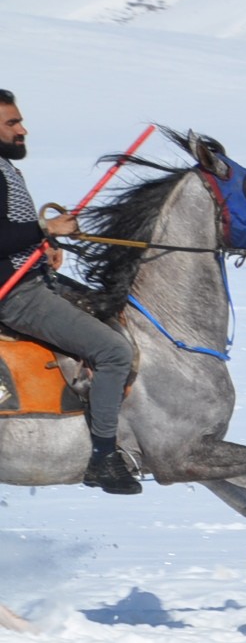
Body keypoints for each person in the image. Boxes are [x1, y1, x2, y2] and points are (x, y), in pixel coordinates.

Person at [0, 90, 140, 493]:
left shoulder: (6, 168)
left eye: (19, 120)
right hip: (15, 294)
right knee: (114, 351)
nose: (23, 130)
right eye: (12, 123)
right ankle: (104, 459)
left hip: (34, 277)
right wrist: (45, 229)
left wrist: (43, 245)